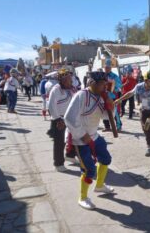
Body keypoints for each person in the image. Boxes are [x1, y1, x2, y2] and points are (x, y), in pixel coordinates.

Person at [64, 71, 115, 210]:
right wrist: (82, 134)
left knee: (105, 158)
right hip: (79, 139)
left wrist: (111, 106)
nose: (105, 87)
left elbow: (105, 117)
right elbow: (69, 118)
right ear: (92, 83)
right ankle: (83, 197)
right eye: (102, 84)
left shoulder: (101, 96)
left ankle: (99, 185)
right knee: (89, 170)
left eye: (106, 84)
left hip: (94, 135)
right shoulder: (81, 95)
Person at [115, 70, 150, 157]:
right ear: (145, 81)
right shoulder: (139, 87)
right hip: (144, 111)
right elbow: (130, 93)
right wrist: (120, 99)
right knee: (146, 128)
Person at [48, 69, 77, 172]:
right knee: (60, 142)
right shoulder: (55, 90)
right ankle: (58, 164)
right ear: (63, 80)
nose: (71, 81)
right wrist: (58, 119)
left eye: (71, 79)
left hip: (71, 118)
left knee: (74, 138)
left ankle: (70, 155)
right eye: (69, 80)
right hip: (59, 119)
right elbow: (51, 106)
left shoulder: (73, 89)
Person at [102, 59, 122, 132]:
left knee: (115, 112)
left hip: (112, 97)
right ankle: (107, 126)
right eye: (105, 67)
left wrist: (114, 89)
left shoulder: (114, 76)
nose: (106, 68)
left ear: (110, 68)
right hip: (103, 97)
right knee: (104, 112)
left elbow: (119, 85)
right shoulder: (102, 76)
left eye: (108, 67)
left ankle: (119, 126)